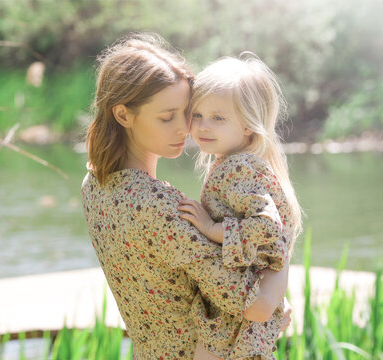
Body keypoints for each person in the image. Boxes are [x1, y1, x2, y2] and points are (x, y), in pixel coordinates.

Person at [81, 33, 291, 359]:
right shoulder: (160, 209)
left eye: (187, 112)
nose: (185, 129)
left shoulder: (94, 185)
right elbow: (260, 305)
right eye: (167, 117)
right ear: (123, 115)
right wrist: (284, 235)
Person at [178, 55, 302, 359]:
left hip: (239, 316)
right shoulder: (233, 161)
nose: (203, 126)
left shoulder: (239, 168)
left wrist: (210, 228)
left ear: (248, 125)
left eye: (218, 118)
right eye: (197, 114)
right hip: (244, 304)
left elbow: (267, 227)